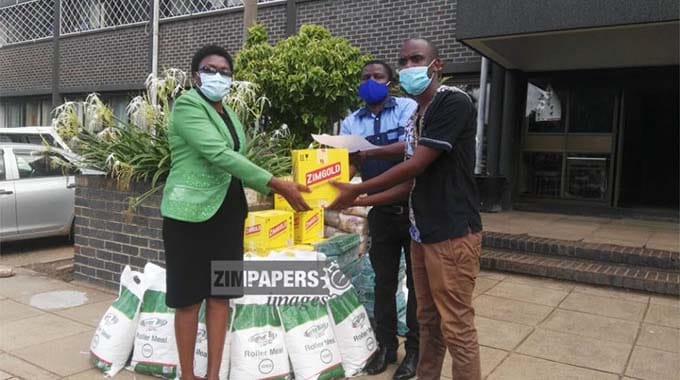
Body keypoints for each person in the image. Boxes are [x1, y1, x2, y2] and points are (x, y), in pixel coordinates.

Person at [330, 38, 483, 380]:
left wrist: (358, 190)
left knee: (457, 327)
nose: (410, 66)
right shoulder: (417, 114)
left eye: (417, 59)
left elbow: (415, 165)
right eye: (404, 61)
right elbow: (412, 184)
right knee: (428, 320)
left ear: (437, 65)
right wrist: (360, 200)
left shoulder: (452, 102)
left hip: (452, 233)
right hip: (421, 232)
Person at [160, 44, 310, 380]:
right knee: (187, 299)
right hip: (188, 216)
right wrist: (277, 183)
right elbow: (218, 154)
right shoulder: (187, 106)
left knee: (221, 295)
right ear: (196, 74)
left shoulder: (228, 112)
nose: (219, 76)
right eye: (211, 69)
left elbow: (237, 154)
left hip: (228, 213)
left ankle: (212, 375)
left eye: (226, 72)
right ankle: (188, 375)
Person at [339, 60, 419, 379]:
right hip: (381, 214)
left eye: (377, 76)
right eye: (365, 77)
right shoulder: (350, 122)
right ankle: (386, 347)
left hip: (414, 211)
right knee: (383, 283)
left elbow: (412, 148)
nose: (370, 81)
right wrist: (324, 181)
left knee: (416, 284)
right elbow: (350, 164)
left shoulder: (407, 108)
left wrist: (369, 151)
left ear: (390, 82)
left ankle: (415, 350)